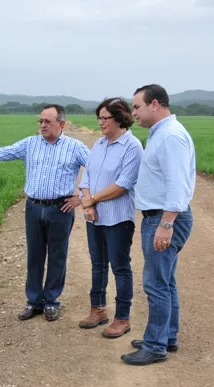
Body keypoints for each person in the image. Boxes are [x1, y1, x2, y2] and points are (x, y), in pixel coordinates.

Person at [0, 104, 90, 322]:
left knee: (57, 256)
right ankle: (34, 301)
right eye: (40, 121)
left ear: (62, 124)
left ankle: (51, 301)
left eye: (48, 121)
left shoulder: (75, 147)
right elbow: (6, 152)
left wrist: (84, 198)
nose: (43, 125)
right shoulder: (30, 144)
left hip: (60, 209)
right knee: (35, 256)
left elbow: (97, 168)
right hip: (34, 207)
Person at [122, 84, 196, 365]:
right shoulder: (160, 134)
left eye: (137, 107)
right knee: (166, 281)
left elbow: (178, 185)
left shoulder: (170, 137)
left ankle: (155, 346)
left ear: (155, 104)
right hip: (158, 217)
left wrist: (166, 224)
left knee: (155, 284)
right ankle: (167, 337)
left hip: (163, 219)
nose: (133, 113)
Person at [77, 98, 143, 338]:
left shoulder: (132, 147)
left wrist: (92, 199)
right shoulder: (99, 144)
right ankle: (98, 309)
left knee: (120, 266)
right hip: (94, 217)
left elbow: (122, 185)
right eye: (99, 118)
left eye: (105, 118)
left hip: (118, 218)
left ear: (120, 118)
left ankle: (122, 318)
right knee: (97, 264)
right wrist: (87, 201)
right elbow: (87, 177)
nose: (100, 122)